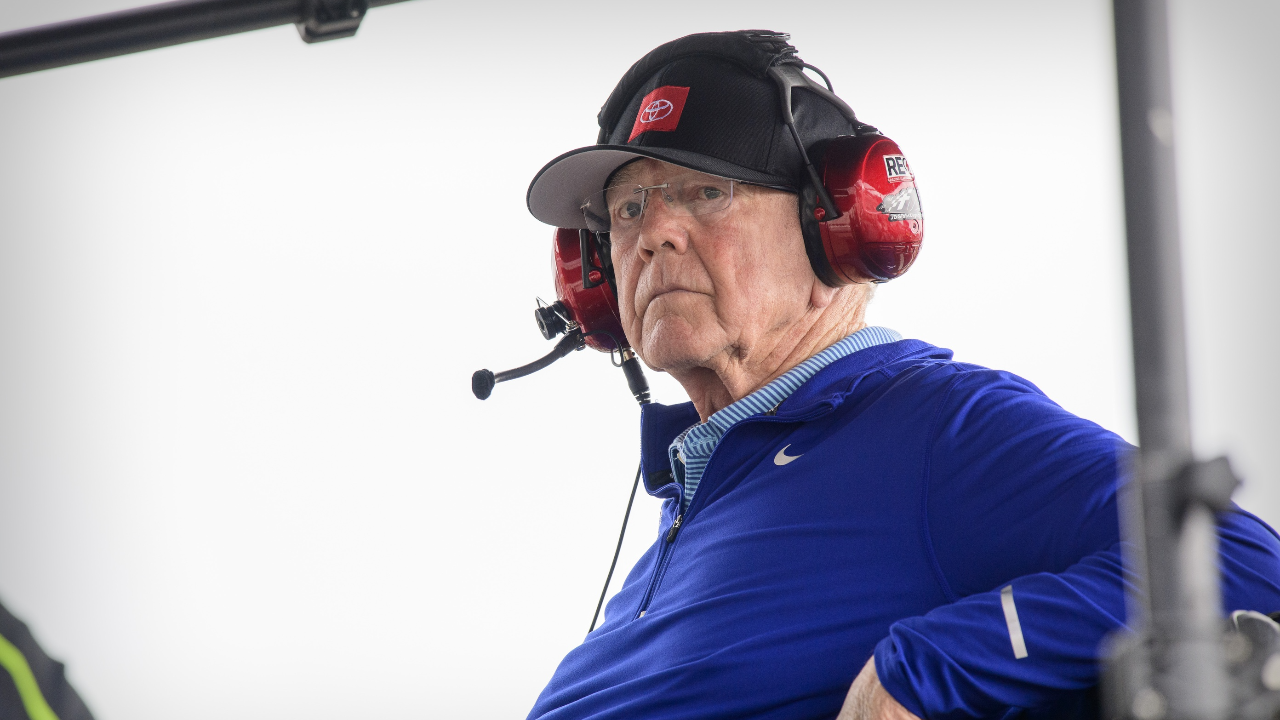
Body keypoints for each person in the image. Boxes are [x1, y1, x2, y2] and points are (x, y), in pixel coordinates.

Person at [518, 30, 1280, 720]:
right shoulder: (689, 515)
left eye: (705, 191)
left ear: (836, 232)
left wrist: (926, 665)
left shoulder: (934, 425)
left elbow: (1236, 564)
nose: (652, 234)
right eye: (625, 211)